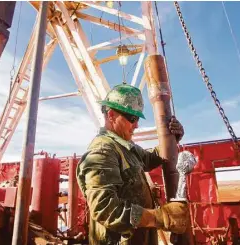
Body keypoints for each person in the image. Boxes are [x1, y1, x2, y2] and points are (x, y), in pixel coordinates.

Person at [77, 84, 190, 245]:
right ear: (111, 115)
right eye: (132, 118)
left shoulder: (126, 147)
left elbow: (151, 158)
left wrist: (172, 139)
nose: (136, 125)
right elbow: (104, 208)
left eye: (137, 119)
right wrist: (161, 217)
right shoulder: (102, 152)